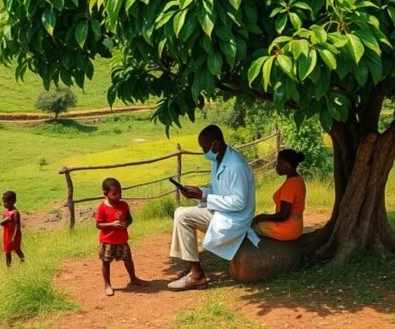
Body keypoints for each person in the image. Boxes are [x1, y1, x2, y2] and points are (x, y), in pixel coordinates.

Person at [168, 125, 260, 291]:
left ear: (216, 144)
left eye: (205, 148)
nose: (204, 152)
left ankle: (196, 275)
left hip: (235, 218)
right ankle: (193, 268)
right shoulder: (218, 160)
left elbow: (239, 202)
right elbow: (220, 192)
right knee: (180, 212)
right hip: (224, 212)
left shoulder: (236, 165)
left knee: (182, 216)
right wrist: (199, 192)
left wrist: (203, 196)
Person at [95, 177, 147, 296]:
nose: (118, 196)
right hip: (107, 241)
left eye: (120, 193)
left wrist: (126, 224)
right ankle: (107, 284)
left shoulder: (124, 205)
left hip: (122, 240)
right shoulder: (102, 207)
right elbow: (98, 224)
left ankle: (133, 278)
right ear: (106, 194)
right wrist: (112, 224)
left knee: (128, 259)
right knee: (106, 262)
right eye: (114, 194)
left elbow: (129, 219)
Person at [252, 149, 307, 241]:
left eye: (278, 163)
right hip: (296, 227)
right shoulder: (299, 180)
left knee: (251, 227)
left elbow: (283, 216)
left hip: (287, 229)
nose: (276, 166)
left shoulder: (291, 184)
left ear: (287, 166)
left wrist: (262, 217)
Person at [0, 191, 25, 266]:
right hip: (7, 234)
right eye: (3, 202)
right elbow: (1, 223)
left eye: (5, 202)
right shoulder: (5, 211)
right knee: (7, 250)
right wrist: (6, 219)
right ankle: (8, 266)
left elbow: (17, 225)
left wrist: (14, 236)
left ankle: (23, 260)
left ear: (12, 202)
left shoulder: (15, 212)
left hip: (15, 234)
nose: (3, 204)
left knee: (17, 249)